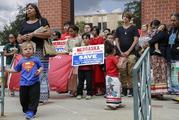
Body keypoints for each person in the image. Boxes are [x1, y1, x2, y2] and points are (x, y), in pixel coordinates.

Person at [17, 3, 51, 102]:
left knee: (41, 73)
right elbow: (18, 39)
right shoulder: (23, 23)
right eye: (27, 9)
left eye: (31, 8)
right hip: (27, 53)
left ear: (36, 10)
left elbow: (48, 34)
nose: (29, 10)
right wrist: (23, 37)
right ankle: (31, 96)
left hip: (40, 51)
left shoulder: (42, 21)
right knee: (29, 72)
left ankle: (42, 97)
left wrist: (33, 34)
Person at [2, 41, 43, 119]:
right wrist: (5, 69)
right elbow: (16, 70)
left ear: (33, 50)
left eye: (30, 49)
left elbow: (41, 67)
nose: (28, 50)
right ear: (22, 52)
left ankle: (32, 112)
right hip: (24, 83)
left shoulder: (36, 59)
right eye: (26, 49)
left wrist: (39, 70)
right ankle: (26, 110)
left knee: (34, 98)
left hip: (34, 82)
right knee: (23, 99)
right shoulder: (21, 61)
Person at [115, 12, 139, 96]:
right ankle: (124, 89)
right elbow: (117, 40)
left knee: (131, 69)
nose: (124, 18)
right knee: (122, 70)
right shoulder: (119, 29)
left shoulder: (133, 28)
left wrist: (129, 51)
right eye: (123, 17)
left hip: (131, 53)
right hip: (121, 53)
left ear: (129, 18)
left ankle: (131, 89)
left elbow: (135, 40)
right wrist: (120, 51)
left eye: (126, 17)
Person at [146, 19, 169, 99]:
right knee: (155, 74)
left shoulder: (162, 33)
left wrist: (148, 43)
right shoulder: (157, 33)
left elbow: (153, 40)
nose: (154, 28)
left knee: (160, 74)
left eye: (155, 27)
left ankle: (160, 92)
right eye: (152, 27)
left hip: (160, 55)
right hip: (155, 55)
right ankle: (154, 91)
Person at [105, 40, 127, 110]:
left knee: (113, 89)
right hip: (113, 77)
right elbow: (119, 66)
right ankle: (112, 104)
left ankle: (116, 103)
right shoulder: (113, 58)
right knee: (115, 89)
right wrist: (122, 60)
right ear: (113, 50)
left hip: (109, 76)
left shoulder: (108, 57)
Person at [65, 25, 82, 96]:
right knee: (70, 75)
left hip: (78, 59)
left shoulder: (80, 39)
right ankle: (71, 89)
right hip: (70, 59)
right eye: (69, 31)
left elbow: (83, 48)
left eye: (71, 31)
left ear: (76, 31)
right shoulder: (68, 40)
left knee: (76, 75)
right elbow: (66, 49)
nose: (70, 32)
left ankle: (76, 90)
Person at [76, 33, 93, 100]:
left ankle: (89, 94)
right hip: (81, 68)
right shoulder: (80, 48)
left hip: (89, 68)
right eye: (83, 38)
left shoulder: (92, 48)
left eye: (86, 38)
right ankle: (79, 93)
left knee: (89, 82)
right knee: (80, 82)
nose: (85, 40)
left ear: (89, 39)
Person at [89, 26, 105, 95]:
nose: (93, 32)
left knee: (99, 75)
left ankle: (100, 89)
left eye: (95, 30)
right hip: (92, 59)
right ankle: (94, 90)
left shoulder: (101, 39)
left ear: (97, 31)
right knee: (93, 75)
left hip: (99, 59)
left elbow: (103, 48)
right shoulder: (90, 40)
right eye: (92, 30)